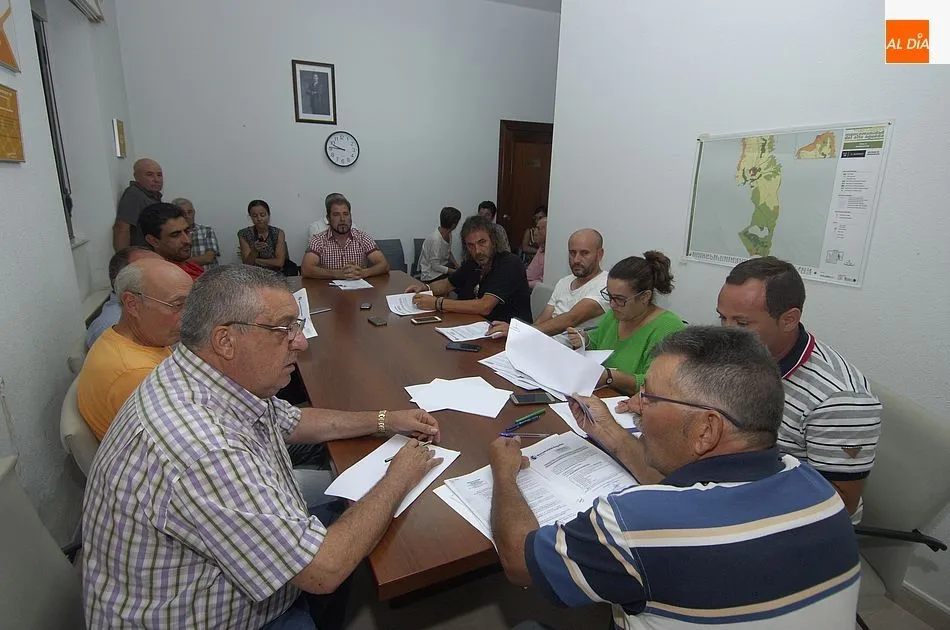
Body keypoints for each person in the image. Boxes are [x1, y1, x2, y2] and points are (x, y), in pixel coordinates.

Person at [82, 265, 443, 629]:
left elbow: (295, 421)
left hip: (220, 582)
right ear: (225, 340)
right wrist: (398, 476)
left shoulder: (204, 375)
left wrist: (385, 419)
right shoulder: (202, 447)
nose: (300, 342)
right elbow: (323, 571)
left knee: (345, 511)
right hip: (214, 617)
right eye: (283, 329)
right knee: (354, 530)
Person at [490, 327, 860, 629]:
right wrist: (614, 436)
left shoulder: (635, 524)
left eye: (649, 397)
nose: (634, 406)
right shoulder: (819, 490)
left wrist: (504, 474)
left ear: (706, 429)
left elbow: (519, 562)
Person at [715, 256, 881, 521]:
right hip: (742, 483)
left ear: (789, 319)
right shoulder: (749, 354)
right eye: (723, 318)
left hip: (800, 523)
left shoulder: (839, 398)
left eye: (742, 323)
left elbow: (839, 503)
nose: (727, 332)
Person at [77, 258, 192, 440]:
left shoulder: (124, 337)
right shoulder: (136, 373)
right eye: (177, 305)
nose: (189, 315)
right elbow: (181, 441)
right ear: (132, 304)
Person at [567, 252, 684, 394]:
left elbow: (659, 384)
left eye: (620, 299)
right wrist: (584, 340)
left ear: (644, 297)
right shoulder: (614, 315)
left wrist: (610, 377)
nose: (612, 304)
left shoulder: (668, 328)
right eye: (609, 295)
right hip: (602, 395)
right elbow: (597, 341)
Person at [404, 215, 531, 323]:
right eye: (471, 245)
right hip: (477, 327)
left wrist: (438, 303)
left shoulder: (510, 264)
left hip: (510, 336)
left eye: (482, 242)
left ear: (493, 240)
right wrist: (426, 288)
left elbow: (484, 306)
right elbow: (447, 284)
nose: (477, 251)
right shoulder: (473, 263)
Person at [487, 228, 609, 338]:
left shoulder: (606, 285)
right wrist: (523, 337)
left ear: (599, 254)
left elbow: (571, 319)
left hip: (574, 353)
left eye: (584, 253)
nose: (576, 259)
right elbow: (544, 318)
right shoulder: (564, 282)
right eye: (572, 253)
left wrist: (519, 331)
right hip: (545, 345)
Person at [85, 247, 161, 349]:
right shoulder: (113, 324)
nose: (166, 277)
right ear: (121, 282)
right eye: (153, 273)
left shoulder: (154, 304)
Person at [302, 193, 390, 280]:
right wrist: (336, 274)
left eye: (345, 214)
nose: (342, 219)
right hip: (328, 291)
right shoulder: (319, 239)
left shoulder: (362, 237)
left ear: (350, 216)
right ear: (328, 219)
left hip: (359, 291)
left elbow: (384, 265)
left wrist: (363, 273)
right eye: (336, 214)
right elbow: (306, 269)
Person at [139, 202, 205, 280]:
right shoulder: (163, 279)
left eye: (187, 231)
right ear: (153, 241)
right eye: (175, 235)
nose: (187, 240)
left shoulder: (187, 264)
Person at [113, 158, 163, 251]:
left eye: (159, 175)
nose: (156, 179)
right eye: (149, 174)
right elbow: (121, 228)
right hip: (141, 256)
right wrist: (124, 260)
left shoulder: (153, 195)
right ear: (136, 177)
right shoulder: (134, 194)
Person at [238, 199, 297, 276]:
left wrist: (255, 260)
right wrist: (254, 251)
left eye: (262, 215)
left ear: (268, 215)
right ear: (250, 217)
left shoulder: (278, 233)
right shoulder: (243, 234)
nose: (259, 219)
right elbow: (246, 264)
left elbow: (279, 263)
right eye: (255, 216)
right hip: (254, 276)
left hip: (276, 274)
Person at [173, 197, 220, 269]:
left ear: (194, 212)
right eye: (183, 213)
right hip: (185, 276)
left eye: (190, 212)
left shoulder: (207, 230)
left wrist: (180, 262)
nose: (187, 216)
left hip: (209, 276)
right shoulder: (172, 234)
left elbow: (208, 258)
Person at [418, 206, 461, 282]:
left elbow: (448, 252)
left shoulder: (449, 234)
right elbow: (435, 266)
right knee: (459, 280)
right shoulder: (435, 239)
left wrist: (457, 265)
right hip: (431, 275)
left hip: (443, 267)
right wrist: (454, 272)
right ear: (454, 225)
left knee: (463, 274)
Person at [524, 216, 547, 288]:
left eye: (539, 229)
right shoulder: (541, 248)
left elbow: (545, 281)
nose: (535, 232)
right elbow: (530, 274)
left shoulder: (552, 253)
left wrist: (522, 284)